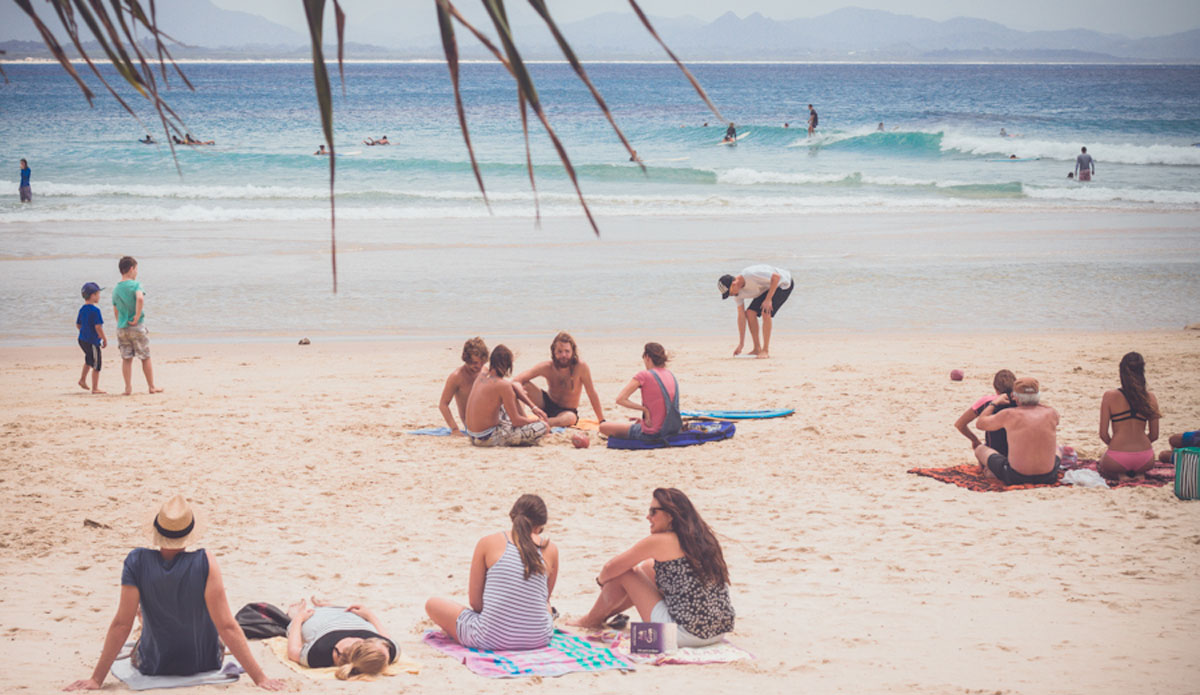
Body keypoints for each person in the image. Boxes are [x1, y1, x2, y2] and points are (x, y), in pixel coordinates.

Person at [64, 495, 285, 691]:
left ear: (157, 529)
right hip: (205, 661)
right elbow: (226, 626)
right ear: (190, 531)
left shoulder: (136, 561)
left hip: (154, 665)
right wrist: (260, 677)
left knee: (143, 613)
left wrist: (96, 679)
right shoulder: (206, 561)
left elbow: (122, 624)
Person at [567, 488, 734, 648]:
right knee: (648, 567)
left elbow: (611, 567)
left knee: (625, 573)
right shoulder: (703, 538)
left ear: (670, 516)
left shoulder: (661, 540)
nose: (648, 517)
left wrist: (602, 581)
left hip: (686, 635)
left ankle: (590, 620)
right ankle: (603, 615)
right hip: (718, 631)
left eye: (653, 512)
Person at [425, 494, 558, 650]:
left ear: (513, 517)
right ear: (540, 527)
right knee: (547, 607)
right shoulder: (551, 549)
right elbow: (544, 599)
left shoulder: (487, 542)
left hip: (490, 638)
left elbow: (475, 603)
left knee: (432, 604)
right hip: (539, 639)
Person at [974, 377, 1060, 485]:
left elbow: (980, 423)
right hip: (1048, 477)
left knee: (980, 449)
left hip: (1016, 477)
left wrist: (994, 403)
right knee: (1058, 449)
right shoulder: (1052, 413)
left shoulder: (1009, 415)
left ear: (1015, 397)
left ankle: (990, 472)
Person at [285, 597, 396, 680]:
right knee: (349, 611)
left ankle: (305, 611)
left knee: (293, 625)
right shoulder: (388, 652)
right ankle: (328, 606)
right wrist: (370, 615)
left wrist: (298, 618)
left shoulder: (320, 653)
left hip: (315, 617)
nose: (387, 643)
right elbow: (385, 638)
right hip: (347, 614)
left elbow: (293, 651)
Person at [514, 332, 606, 428]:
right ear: (554, 352)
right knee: (522, 386)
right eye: (560, 351)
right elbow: (516, 380)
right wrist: (532, 407)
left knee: (570, 418)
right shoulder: (547, 366)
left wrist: (601, 420)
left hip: (567, 411)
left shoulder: (581, 367)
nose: (563, 355)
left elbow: (591, 393)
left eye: (567, 351)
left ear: (573, 352)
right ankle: (521, 418)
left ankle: (537, 423)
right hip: (546, 404)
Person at [464, 344, 548, 447]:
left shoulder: (483, 373)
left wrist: (533, 407)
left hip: (472, 435)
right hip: (488, 438)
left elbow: (513, 385)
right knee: (542, 427)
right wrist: (535, 420)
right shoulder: (503, 385)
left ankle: (527, 420)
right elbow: (516, 421)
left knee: (513, 389)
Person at [598, 342, 680, 441]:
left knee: (603, 427)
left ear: (647, 357)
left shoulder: (644, 375)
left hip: (652, 433)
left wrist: (644, 410)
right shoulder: (670, 374)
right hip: (671, 429)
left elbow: (620, 399)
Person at [1098, 352, 1161, 478]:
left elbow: (1103, 434)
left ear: (1121, 372)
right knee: (1138, 463)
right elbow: (1154, 435)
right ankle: (1139, 474)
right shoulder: (1150, 398)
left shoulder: (1109, 396)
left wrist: (1116, 445)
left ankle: (1122, 475)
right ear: (1142, 371)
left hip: (1117, 457)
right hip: (1145, 458)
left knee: (1102, 461)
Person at [717, 264, 794, 359]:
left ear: (734, 284)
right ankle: (757, 348)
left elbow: (776, 277)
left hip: (783, 284)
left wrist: (768, 299)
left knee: (766, 311)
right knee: (750, 313)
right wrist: (741, 343)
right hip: (767, 288)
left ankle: (765, 350)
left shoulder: (751, 274)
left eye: (730, 293)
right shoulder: (737, 294)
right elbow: (741, 317)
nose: (731, 295)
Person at [112, 256, 163, 395]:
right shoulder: (136, 285)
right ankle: (151, 386)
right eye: (136, 269)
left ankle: (128, 388)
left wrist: (120, 323)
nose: (137, 273)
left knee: (126, 358)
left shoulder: (116, 289)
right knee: (145, 356)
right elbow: (140, 298)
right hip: (136, 326)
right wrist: (136, 315)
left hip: (122, 327)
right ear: (131, 269)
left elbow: (115, 309)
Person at [953, 369, 1016, 456]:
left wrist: (975, 440)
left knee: (980, 449)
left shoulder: (987, 402)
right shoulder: (1022, 402)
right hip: (1019, 457)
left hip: (995, 455)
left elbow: (960, 424)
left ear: (995, 388)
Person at [438, 337, 489, 436]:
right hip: (472, 424)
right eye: (475, 363)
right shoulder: (457, 377)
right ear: (467, 360)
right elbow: (443, 405)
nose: (479, 366)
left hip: (490, 419)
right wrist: (455, 429)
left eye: (482, 362)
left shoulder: (484, 370)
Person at [76, 282, 108, 394]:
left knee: (89, 359)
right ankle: (95, 388)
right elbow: (98, 326)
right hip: (92, 341)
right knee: (97, 363)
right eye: (98, 294)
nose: (99, 296)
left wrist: (84, 332)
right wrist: (104, 338)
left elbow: (78, 324)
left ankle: (82, 380)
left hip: (82, 339)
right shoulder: (95, 310)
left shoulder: (82, 309)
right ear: (93, 295)